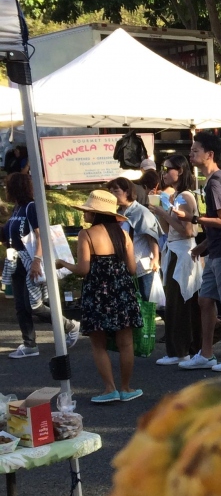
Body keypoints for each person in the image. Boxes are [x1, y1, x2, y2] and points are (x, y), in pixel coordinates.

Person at [54, 190, 144, 403]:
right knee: (126, 343)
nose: (84, 213)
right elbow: (132, 269)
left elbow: (83, 269)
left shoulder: (86, 234)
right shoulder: (123, 234)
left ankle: (109, 389)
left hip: (97, 293)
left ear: (95, 214)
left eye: (87, 210)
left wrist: (63, 263)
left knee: (98, 343)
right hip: (122, 291)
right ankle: (126, 387)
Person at [180, 131, 221, 372]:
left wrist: (193, 218)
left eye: (195, 150)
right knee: (205, 300)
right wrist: (204, 245)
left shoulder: (216, 182)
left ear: (209, 154)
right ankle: (206, 354)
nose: (191, 154)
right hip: (217, 249)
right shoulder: (215, 180)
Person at [1, 172, 80, 357]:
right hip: (16, 262)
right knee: (20, 306)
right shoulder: (16, 209)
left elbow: (41, 235)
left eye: (7, 186)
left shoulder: (31, 207)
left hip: (30, 261)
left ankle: (69, 325)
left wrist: (37, 260)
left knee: (33, 305)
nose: (5, 189)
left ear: (16, 188)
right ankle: (29, 344)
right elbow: (10, 237)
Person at [152, 155, 202, 366]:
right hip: (174, 250)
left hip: (182, 252)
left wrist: (164, 214)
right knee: (176, 301)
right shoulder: (176, 196)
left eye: (167, 169)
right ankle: (184, 348)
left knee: (179, 303)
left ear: (179, 170)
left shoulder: (185, 197)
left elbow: (188, 230)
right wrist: (161, 213)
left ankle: (181, 350)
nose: (163, 173)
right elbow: (169, 230)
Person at [106, 177, 162, 305]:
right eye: (110, 191)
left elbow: (151, 236)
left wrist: (155, 258)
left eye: (116, 191)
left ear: (127, 192)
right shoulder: (117, 213)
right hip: (125, 267)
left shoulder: (141, 211)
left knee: (149, 303)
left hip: (144, 266)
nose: (112, 195)